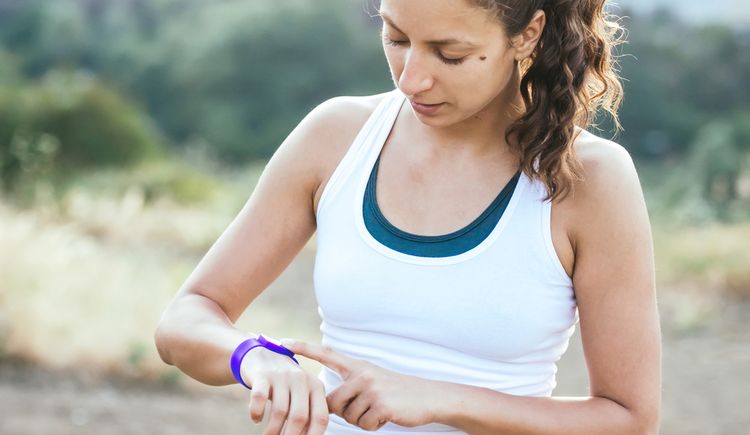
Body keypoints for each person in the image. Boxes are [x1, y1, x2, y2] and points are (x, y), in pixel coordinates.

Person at [154, 0, 662, 434]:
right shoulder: (336, 136)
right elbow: (187, 317)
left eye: (450, 54)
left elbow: (627, 418)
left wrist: (441, 399)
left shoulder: (590, 179)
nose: (411, 78)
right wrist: (252, 356)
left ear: (528, 34)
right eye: (395, 37)